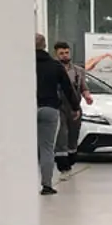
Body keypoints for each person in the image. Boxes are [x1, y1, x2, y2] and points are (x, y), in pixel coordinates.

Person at [36, 33, 79, 195]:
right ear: (45, 46)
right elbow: (68, 88)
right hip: (50, 109)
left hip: (28, 109)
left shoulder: (24, 65)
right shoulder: (55, 66)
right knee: (47, 148)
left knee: (24, 147)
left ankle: (21, 184)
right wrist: (75, 107)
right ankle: (46, 185)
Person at [53, 41, 92, 172]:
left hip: (74, 107)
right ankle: (62, 165)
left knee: (73, 135)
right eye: (61, 53)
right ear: (56, 54)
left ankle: (71, 158)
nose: (65, 55)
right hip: (59, 107)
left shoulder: (78, 71)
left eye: (66, 52)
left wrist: (87, 96)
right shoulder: (53, 69)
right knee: (62, 134)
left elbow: (83, 87)